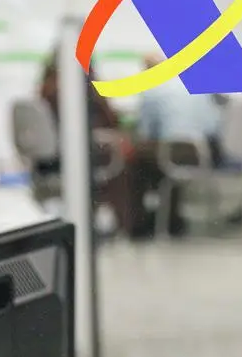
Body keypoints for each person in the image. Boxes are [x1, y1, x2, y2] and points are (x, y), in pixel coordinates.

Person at [37, 50, 138, 234]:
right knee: (126, 166)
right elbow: (110, 118)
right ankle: (127, 226)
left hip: (53, 159)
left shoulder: (45, 89)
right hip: (82, 154)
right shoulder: (79, 88)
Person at [130, 53, 224, 238]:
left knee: (137, 163)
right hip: (201, 154)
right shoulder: (196, 86)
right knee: (168, 163)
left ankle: (142, 224)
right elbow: (213, 127)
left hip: (170, 155)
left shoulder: (151, 91)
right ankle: (174, 221)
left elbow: (145, 133)